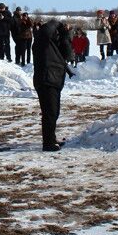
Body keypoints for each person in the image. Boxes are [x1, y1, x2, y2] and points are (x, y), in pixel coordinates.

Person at [33, 20, 75, 152]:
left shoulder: (54, 46)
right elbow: (45, 31)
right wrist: (57, 22)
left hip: (55, 80)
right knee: (49, 113)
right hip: (46, 81)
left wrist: (65, 34)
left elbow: (67, 53)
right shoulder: (42, 43)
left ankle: (51, 139)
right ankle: (47, 143)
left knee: (54, 112)